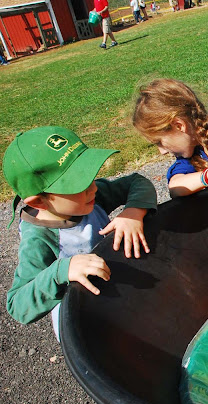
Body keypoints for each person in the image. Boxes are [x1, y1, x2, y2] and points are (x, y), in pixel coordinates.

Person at [3, 126, 157, 340]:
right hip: (85, 325)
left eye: (89, 176)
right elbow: (18, 306)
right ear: (39, 202)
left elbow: (136, 182)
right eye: (78, 185)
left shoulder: (88, 199)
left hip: (119, 299)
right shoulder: (38, 239)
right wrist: (61, 271)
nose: (93, 188)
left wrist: (133, 212)